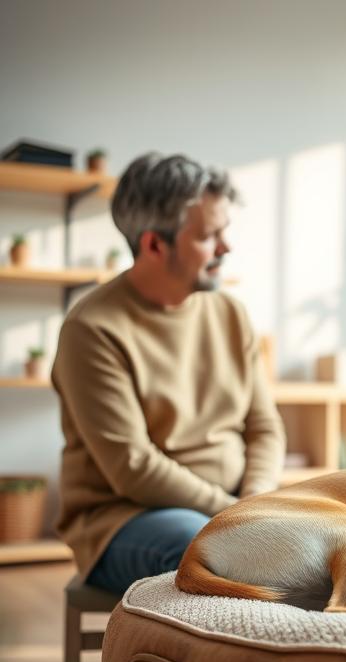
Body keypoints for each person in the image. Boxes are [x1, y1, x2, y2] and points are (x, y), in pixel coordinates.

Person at [52, 152, 285, 594]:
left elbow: (264, 426)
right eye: (209, 236)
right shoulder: (92, 329)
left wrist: (254, 499)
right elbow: (133, 467)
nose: (225, 247)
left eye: (224, 231)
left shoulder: (230, 314)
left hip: (234, 506)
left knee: (336, 535)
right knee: (213, 552)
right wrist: (234, 515)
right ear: (155, 245)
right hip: (125, 518)